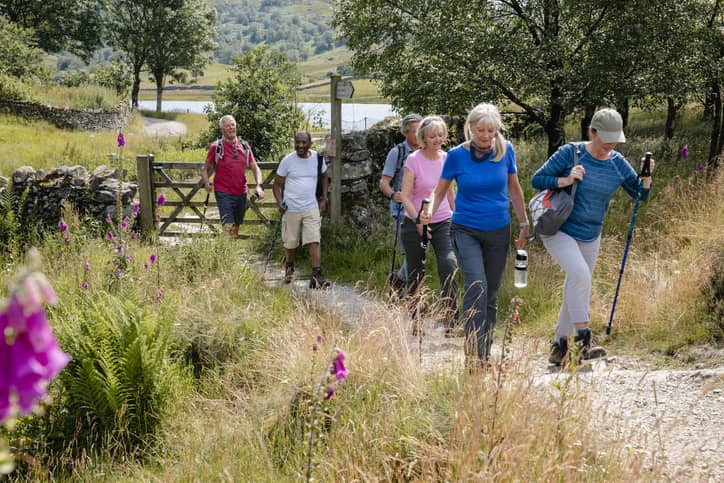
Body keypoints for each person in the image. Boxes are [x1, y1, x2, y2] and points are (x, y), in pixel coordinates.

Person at [531, 108, 655, 365]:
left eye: (613, 141)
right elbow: (537, 179)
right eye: (604, 140)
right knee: (579, 276)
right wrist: (566, 180)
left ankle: (559, 346)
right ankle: (584, 340)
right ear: (592, 132)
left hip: (591, 233)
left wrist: (647, 176)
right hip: (559, 227)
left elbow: (640, 196)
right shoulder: (570, 152)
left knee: (576, 283)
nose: (608, 146)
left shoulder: (617, 162)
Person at [422, 104, 529, 369]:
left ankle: (484, 353)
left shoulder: (506, 150)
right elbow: (440, 190)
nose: (485, 135)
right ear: (470, 128)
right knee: (476, 286)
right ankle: (472, 355)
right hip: (465, 228)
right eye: (480, 130)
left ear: (496, 130)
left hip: (498, 230)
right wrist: (428, 212)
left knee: (491, 295)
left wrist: (525, 222)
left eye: (490, 130)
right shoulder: (457, 156)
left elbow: (514, 188)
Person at [399, 115, 458, 335]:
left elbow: (449, 190)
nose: (437, 139)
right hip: (414, 221)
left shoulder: (447, 159)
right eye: (432, 135)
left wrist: (456, 214)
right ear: (422, 137)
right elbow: (404, 196)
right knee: (416, 272)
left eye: (441, 134)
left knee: (449, 264)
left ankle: (451, 321)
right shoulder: (413, 160)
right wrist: (418, 220)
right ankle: (417, 321)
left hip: (443, 220)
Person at [272, 131, 331, 289]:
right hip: (291, 208)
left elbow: (325, 176)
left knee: (314, 240)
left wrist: (324, 199)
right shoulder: (287, 161)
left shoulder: (317, 159)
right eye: (297, 142)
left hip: (311, 206)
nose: (300, 146)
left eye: (304, 142)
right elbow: (276, 185)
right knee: (290, 243)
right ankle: (289, 268)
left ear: (310, 143)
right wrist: (280, 203)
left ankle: (316, 276)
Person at [201, 115, 264, 238]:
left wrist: (258, 186)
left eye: (233, 125)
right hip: (223, 192)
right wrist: (207, 183)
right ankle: (224, 254)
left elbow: (255, 168)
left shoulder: (245, 146)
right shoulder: (216, 147)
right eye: (228, 125)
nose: (231, 128)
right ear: (222, 129)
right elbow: (204, 169)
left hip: (241, 192)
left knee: (235, 227)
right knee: (228, 226)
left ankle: (230, 252)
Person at [379, 113, 422, 293]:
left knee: (420, 252)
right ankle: (411, 291)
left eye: (421, 130)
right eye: (414, 131)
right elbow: (384, 182)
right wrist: (393, 195)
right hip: (401, 211)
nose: (418, 135)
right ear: (405, 133)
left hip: (424, 210)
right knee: (412, 252)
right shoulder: (398, 152)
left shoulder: (429, 152)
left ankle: (400, 280)